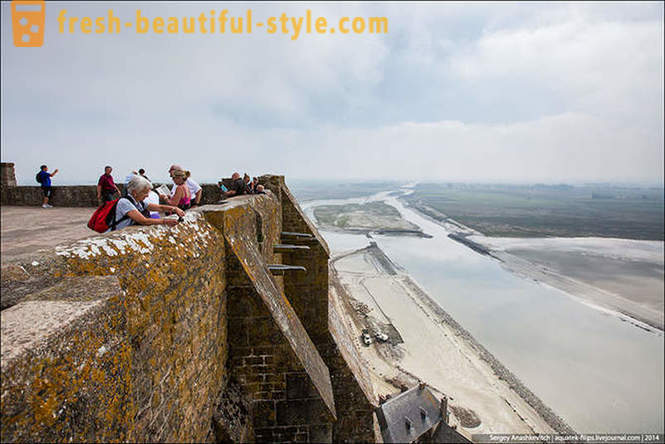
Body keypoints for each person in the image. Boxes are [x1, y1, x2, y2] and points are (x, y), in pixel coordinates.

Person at [109, 175, 183, 232]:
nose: (147, 195)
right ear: (135, 193)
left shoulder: (138, 202)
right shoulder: (125, 202)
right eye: (144, 193)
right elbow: (144, 221)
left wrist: (174, 209)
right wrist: (165, 221)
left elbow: (159, 207)